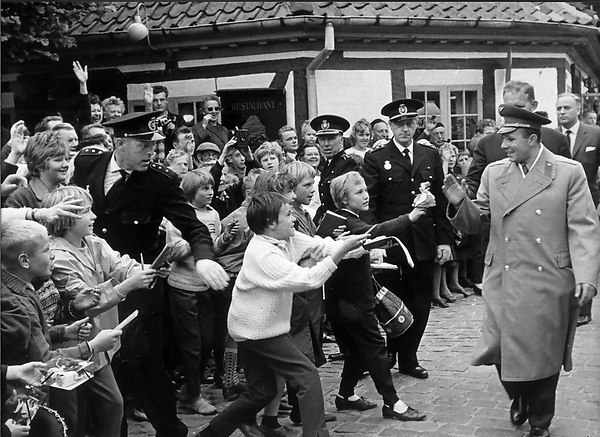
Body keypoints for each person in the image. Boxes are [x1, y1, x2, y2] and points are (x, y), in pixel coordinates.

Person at [442, 104, 600, 437]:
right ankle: (520, 395)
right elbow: (476, 222)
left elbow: (584, 228)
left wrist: (586, 277)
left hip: (549, 278)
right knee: (499, 345)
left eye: (511, 139)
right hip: (502, 274)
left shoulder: (567, 172)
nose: (505, 147)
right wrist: (459, 203)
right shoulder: (495, 173)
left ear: (531, 138)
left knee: (544, 353)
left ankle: (540, 421)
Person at [71, 111, 229, 437]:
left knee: (146, 362)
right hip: (93, 283)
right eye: (143, 144)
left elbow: (193, 227)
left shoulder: (160, 180)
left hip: (139, 285)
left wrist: (203, 258)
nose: (151, 151)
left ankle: (171, 431)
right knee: (104, 364)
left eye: (154, 143)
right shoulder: (89, 165)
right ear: (119, 142)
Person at [195, 192, 368, 437]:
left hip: (253, 328)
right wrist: (341, 254)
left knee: (261, 392)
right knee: (307, 376)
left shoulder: (285, 237)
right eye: (288, 215)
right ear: (270, 223)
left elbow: (321, 245)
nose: (293, 219)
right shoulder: (263, 253)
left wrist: (359, 246)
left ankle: (210, 434)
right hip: (258, 331)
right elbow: (309, 280)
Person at [45, 186, 160, 437]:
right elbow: (87, 301)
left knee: (112, 405)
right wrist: (131, 284)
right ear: (67, 219)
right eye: (86, 211)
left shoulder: (93, 242)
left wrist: (142, 271)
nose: (94, 216)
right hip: (70, 345)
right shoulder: (57, 255)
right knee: (73, 416)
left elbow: (120, 263)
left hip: (97, 345)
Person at [361, 98, 454, 380]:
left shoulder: (430, 155)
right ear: (390, 126)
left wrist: (444, 241)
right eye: (399, 124)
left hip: (423, 241)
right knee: (392, 299)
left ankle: (409, 356)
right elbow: (370, 207)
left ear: (418, 124)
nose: (405, 128)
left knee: (421, 300)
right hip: (392, 242)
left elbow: (440, 202)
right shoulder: (376, 158)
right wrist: (375, 244)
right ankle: (390, 351)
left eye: (410, 122)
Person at [1, 220, 122, 436]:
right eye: (47, 250)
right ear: (24, 260)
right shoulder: (17, 304)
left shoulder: (16, 284)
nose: (53, 255)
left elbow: (34, 333)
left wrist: (65, 332)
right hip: (20, 396)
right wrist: (92, 346)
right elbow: (43, 361)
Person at [327, 171, 427, 421]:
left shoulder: (337, 220)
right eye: (358, 192)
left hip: (343, 299)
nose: (366, 195)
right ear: (343, 199)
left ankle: (345, 395)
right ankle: (392, 403)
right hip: (354, 300)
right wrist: (410, 217)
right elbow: (375, 231)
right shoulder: (347, 222)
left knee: (356, 350)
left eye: (365, 190)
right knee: (374, 348)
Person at [166, 169, 220, 415]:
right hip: (183, 285)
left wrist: (215, 241)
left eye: (211, 188)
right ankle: (194, 394)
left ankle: (190, 388)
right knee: (191, 342)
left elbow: (214, 246)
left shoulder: (214, 214)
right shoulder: (178, 216)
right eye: (204, 189)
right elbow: (173, 250)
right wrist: (197, 240)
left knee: (208, 338)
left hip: (204, 284)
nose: (210, 193)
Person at [466, 80, 570, 197]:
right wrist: (465, 192)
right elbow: (473, 183)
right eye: (508, 108)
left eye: (519, 107)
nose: (513, 113)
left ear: (534, 105)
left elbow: (566, 183)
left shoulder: (556, 140)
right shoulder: (487, 143)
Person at [556, 92, 600, 326]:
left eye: (566, 108)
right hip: (557, 202)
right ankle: (565, 304)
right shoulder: (552, 137)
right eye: (559, 108)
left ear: (578, 109)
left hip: (589, 200)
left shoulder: (594, 134)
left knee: (583, 249)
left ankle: (584, 308)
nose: (562, 112)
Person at [5, 131, 70, 209]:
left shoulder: (69, 193)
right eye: (58, 160)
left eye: (67, 159)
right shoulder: (20, 198)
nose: (66, 164)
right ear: (39, 163)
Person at [312, 115, 358, 224]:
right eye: (322, 139)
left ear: (341, 140)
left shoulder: (347, 164)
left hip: (341, 223)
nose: (326, 144)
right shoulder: (327, 164)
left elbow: (348, 203)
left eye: (331, 139)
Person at [145, 84, 185, 154]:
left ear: (167, 101)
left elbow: (184, 142)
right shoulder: (148, 121)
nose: (159, 103)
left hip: (172, 159)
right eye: (155, 100)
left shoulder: (178, 120)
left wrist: (174, 131)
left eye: (162, 100)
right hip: (152, 159)